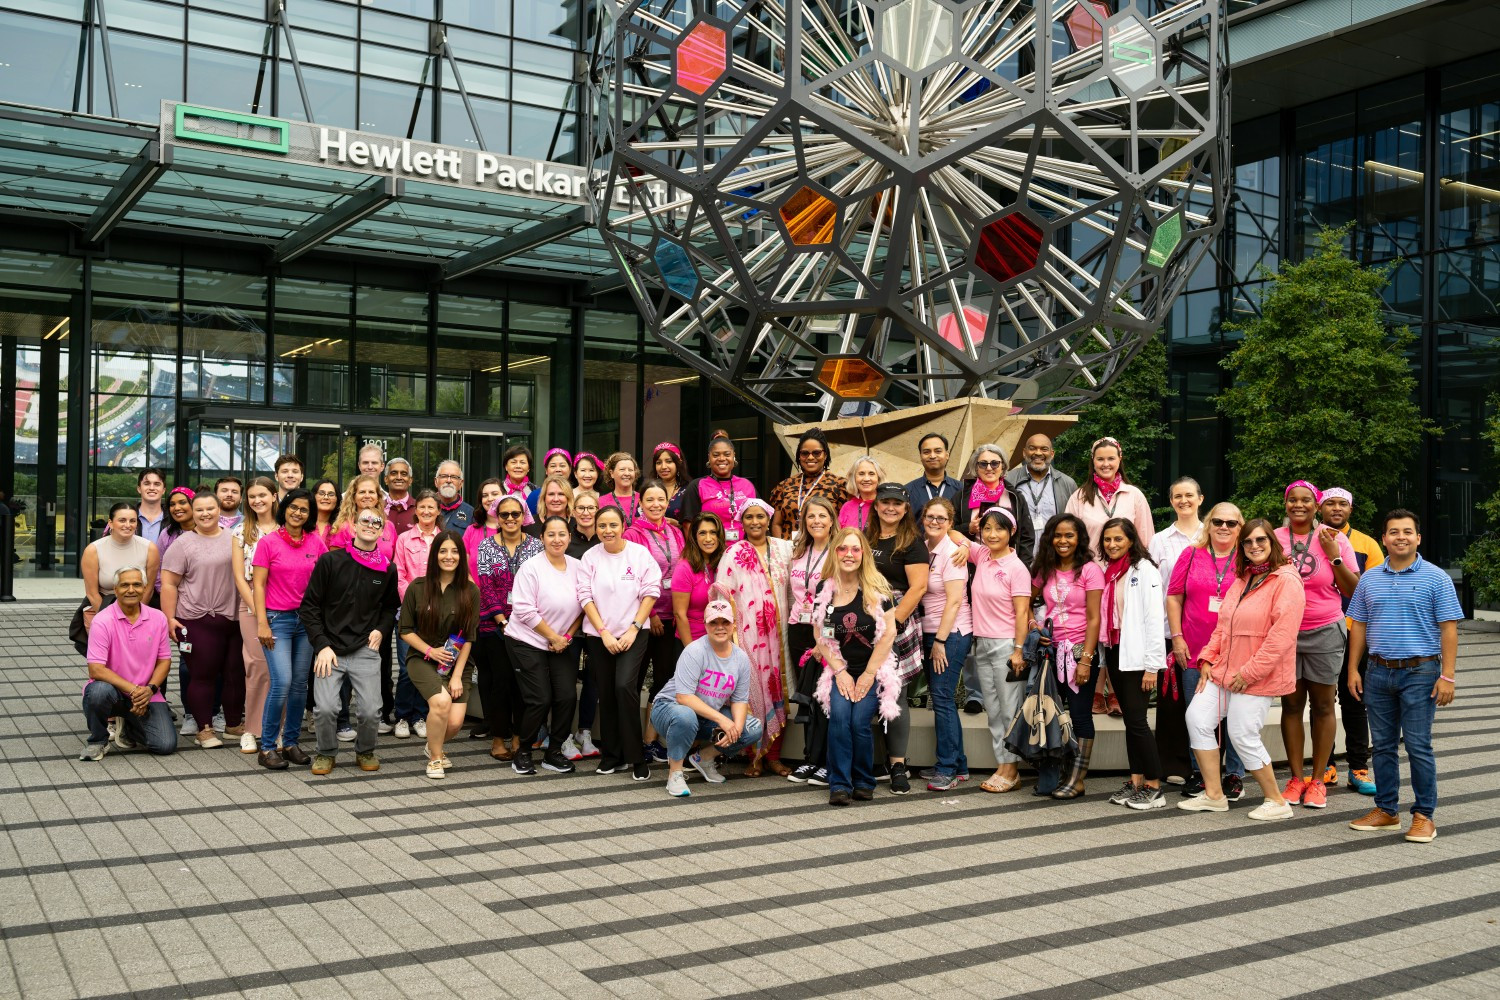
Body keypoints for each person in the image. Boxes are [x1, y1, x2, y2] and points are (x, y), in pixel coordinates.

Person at [1346, 510, 1463, 844]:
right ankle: (1386, 810)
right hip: (1377, 671)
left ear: (1418, 538)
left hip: (1421, 672)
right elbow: (1359, 626)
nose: (1401, 537)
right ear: (1384, 538)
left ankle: (1424, 815)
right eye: (1393, 532)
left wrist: (1448, 676)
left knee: (1417, 745)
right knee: (1381, 746)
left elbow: (1449, 629)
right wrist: (1354, 668)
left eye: (1407, 531)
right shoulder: (1369, 578)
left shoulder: (1436, 577)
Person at [1179, 519, 1304, 821]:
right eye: (1248, 542)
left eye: (1261, 540)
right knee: (1197, 718)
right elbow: (1224, 626)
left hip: (1256, 676)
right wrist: (1207, 658)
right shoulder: (1242, 578)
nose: (1254, 547)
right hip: (1224, 671)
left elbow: (1281, 637)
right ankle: (1214, 795)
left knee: (1242, 733)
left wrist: (1248, 673)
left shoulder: (1286, 580)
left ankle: (1276, 801)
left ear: (1273, 543)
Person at [1276, 480, 1359, 810]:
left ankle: (1319, 779)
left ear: (1316, 505)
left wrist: (1334, 557)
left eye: (1306, 500)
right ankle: (1296, 779)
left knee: (1324, 705)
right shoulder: (1275, 538)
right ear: (1286, 505)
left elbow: (1354, 589)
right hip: (1285, 633)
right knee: (1291, 706)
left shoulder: (1333, 537)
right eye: (1292, 500)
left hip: (1325, 629)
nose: (1299, 505)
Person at [300, 506, 399, 775]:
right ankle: (326, 752)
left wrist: (381, 629)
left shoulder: (387, 569)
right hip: (329, 649)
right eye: (364, 520)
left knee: (370, 711)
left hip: (365, 648)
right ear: (353, 526)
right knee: (326, 709)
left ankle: (365, 750)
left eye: (376, 522)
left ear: (382, 531)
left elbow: (391, 608)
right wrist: (320, 645)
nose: (370, 525)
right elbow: (309, 607)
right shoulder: (330, 562)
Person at [806, 527, 901, 806]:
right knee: (839, 718)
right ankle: (839, 784)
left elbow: (889, 633)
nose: (849, 554)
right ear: (835, 552)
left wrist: (869, 674)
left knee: (859, 721)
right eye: (843, 548)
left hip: (873, 669)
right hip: (840, 668)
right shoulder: (825, 589)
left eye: (855, 549)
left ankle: (862, 781)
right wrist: (840, 671)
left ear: (863, 554)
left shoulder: (879, 587)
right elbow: (819, 636)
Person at [1166, 502, 1248, 800]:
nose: (1224, 527)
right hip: (1193, 649)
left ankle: (1235, 774)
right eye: (1218, 522)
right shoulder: (1190, 554)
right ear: (1208, 524)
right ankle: (1201, 774)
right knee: (1199, 715)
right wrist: (1176, 637)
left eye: (1231, 523)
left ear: (1241, 527)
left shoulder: (1247, 558)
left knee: (1236, 717)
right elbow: (1174, 597)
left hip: (1238, 652)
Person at [577, 504, 662, 780]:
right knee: (607, 691)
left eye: (613, 525)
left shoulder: (639, 555)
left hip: (634, 633)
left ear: (623, 525)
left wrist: (633, 628)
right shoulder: (590, 557)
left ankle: (636, 757)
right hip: (599, 635)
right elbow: (585, 597)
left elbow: (651, 592)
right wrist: (603, 632)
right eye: (602, 526)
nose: (607, 530)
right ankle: (612, 756)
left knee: (625, 687)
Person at [651, 597, 765, 797]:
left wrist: (736, 727)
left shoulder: (740, 658)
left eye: (725, 622)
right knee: (685, 715)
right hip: (669, 709)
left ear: (733, 625)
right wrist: (723, 721)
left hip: (704, 715)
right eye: (713, 622)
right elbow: (684, 697)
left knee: (752, 728)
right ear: (705, 625)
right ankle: (675, 773)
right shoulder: (694, 651)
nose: (720, 627)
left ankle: (704, 758)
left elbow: (739, 699)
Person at [716, 498, 793, 776]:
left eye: (760, 516)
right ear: (741, 521)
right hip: (749, 639)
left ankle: (773, 756)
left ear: (769, 518)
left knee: (778, 693)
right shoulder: (734, 553)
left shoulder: (785, 549)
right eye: (749, 517)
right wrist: (731, 637)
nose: (755, 522)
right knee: (753, 693)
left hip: (781, 638)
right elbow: (722, 595)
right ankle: (753, 757)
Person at [162, 492, 244, 750]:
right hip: (196, 619)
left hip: (233, 617)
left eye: (210, 508)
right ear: (192, 512)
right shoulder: (183, 544)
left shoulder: (235, 538)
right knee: (202, 675)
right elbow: (168, 583)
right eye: (199, 510)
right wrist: (169, 618)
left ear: (220, 510)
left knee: (235, 674)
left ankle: (232, 724)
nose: (205, 514)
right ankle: (204, 728)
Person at [1095, 518, 1168, 811]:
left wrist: (1152, 666)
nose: (1112, 545)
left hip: (1138, 656)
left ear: (1131, 540)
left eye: (1118, 539)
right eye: (1107, 540)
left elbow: (1154, 619)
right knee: (1129, 720)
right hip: (1116, 651)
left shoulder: (1144, 569)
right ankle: (1135, 779)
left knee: (1137, 721)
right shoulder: (1110, 572)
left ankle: (1154, 785)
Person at [864, 483, 932, 793]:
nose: (890, 507)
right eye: (884, 502)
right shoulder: (865, 539)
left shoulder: (913, 543)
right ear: (875, 506)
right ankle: (868, 763)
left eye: (897, 503)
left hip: (897, 619)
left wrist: (897, 621)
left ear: (906, 508)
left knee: (896, 695)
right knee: (863, 690)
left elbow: (917, 587)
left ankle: (898, 765)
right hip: (863, 621)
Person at [251, 488, 326, 770]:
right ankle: (268, 746)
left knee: (299, 685)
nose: (298, 513)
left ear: (310, 514)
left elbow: (323, 584)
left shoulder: (316, 542)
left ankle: (291, 743)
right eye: (293, 507)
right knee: (281, 682)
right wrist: (261, 622)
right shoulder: (268, 543)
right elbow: (257, 584)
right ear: (284, 509)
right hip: (276, 620)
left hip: (306, 621)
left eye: (304, 509)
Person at [504, 516, 584, 777]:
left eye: (562, 534)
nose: (557, 539)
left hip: (561, 642)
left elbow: (584, 606)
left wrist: (566, 638)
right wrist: (554, 637)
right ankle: (523, 752)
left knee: (567, 696)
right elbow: (525, 611)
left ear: (569, 537)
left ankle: (554, 751)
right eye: (551, 534)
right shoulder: (531, 568)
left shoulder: (577, 567)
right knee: (540, 698)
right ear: (542, 538)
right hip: (526, 640)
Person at [1031, 513, 1103, 799]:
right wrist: (1034, 626)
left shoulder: (1089, 570)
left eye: (1069, 535)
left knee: (1081, 714)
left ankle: (1077, 778)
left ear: (1079, 539)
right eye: (1058, 535)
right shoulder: (1045, 569)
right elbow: (1027, 601)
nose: (1063, 541)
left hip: (1078, 650)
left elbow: (1095, 619)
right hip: (1050, 651)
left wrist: (1085, 659)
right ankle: (1060, 773)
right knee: (1054, 713)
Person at [399, 531, 481, 780]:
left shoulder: (470, 591)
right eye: (443, 551)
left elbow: (468, 637)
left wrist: (457, 676)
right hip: (423, 657)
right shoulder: (418, 587)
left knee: (455, 723)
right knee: (441, 703)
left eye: (454, 551)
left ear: (462, 556)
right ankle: (435, 758)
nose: (449, 556)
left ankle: (431, 745)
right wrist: (430, 651)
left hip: (457, 662)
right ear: (434, 555)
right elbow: (405, 631)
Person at [1319, 486, 1383, 796]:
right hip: (1319, 631)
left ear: (1350, 510)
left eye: (1342, 504)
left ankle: (1358, 767)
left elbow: (1377, 591)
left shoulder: (1367, 544)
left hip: (1355, 632)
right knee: (1320, 701)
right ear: (1320, 509)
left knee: (1355, 700)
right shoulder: (1311, 539)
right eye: (1329, 503)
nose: (1335, 508)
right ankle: (1326, 766)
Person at [965, 507, 1033, 794]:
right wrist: (970, 528)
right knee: (993, 710)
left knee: (1009, 710)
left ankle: (1011, 769)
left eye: (1000, 529)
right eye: (987, 528)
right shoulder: (982, 555)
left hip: (1006, 645)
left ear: (1012, 532)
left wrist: (1018, 651)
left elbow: (1022, 614)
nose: (992, 534)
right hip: (982, 643)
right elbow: (951, 535)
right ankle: (1003, 764)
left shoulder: (1016, 568)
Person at [328, 474, 400, 735]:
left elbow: (389, 562)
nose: (367, 496)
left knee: (378, 661)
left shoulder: (387, 526)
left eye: (372, 492)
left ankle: (376, 714)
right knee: (344, 663)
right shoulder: (342, 526)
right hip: (346, 606)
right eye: (362, 492)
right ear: (353, 496)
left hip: (377, 603)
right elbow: (336, 566)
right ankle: (342, 718)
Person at [78, 567, 175, 760]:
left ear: (145, 588)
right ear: (115, 589)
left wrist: (149, 689)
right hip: (113, 692)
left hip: (146, 693)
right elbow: (96, 669)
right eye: (125, 585)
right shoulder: (102, 621)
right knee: (97, 692)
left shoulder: (158, 618)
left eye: (137, 584)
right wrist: (134, 690)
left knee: (165, 745)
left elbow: (164, 660)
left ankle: (129, 727)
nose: (131, 590)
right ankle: (98, 740)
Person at [474, 495, 542, 761]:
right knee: (500, 684)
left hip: (529, 626)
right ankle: (498, 738)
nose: (510, 519)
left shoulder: (536, 546)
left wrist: (526, 620)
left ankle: (518, 736)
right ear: (497, 517)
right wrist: (502, 620)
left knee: (522, 685)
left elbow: (541, 585)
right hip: (495, 626)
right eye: (505, 515)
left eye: (515, 514)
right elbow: (486, 588)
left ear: (524, 516)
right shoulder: (486, 546)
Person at [623, 480, 686, 762]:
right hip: (645, 618)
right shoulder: (633, 534)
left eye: (661, 499)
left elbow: (683, 568)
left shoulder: (675, 531)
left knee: (663, 682)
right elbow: (632, 578)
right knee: (633, 682)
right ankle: (630, 741)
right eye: (650, 500)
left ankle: (651, 740)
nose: (656, 505)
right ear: (641, 503)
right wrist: (651, 614)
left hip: (674, 616)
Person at [1149, 476, 1205, 781]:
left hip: (1203, 632)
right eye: (1177, 496)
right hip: (1168, 631)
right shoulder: (1160, 540)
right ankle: (1173, 765)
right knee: (1171, 701)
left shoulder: (1210, 535)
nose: (1183, 501)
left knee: (1201, 700)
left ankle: (1202, 765)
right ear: (1171, 502)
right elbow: (1152, 585)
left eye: (1189, 495)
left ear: (1200, 498)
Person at [918, 497, 974, 792]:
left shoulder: (953, 553)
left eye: (941, 518)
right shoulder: (925, 548)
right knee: (942, 697)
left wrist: (939, 641)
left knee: (941, 697)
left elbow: (954, 601)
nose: (935, 522)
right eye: (931, 516)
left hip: (950, 633)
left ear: (951, 523)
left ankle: (947, 769)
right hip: (930, 631)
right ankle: (959, 764)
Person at [784, 497, 838, 785]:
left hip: (825, 632)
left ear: (831, 519)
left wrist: (824, 640)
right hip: (798, 627)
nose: (816, 521)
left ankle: (826, 761)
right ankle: (809, 759)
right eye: (810, 516)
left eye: (822, 515)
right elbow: (794, 593)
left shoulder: (839, 551)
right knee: (806, 696)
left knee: (824, 695)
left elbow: (840, 598)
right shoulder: (798, 551)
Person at [230, 477, 279, 755]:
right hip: (250, 606)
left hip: (283, 605)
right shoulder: (240, 532)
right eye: (251, 496)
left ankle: (278, 729)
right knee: (258, 668)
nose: (257, 500)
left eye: (262, 494)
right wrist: (260, 612)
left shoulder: (286, 529)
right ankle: (252, 729)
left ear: (274, 496)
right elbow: (239, 576)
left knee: (281, 672)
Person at [392, 490, 443, 740]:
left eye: (431, 508)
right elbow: (399, 573)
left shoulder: (443, 539)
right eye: (422, 507)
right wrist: (413, 601)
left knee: (428, 664)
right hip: (409, 611)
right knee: (405, 666)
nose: (426, 512)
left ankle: (421, 715)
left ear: (438, 511)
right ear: (416, 510)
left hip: (436, 613)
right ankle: (402, 715)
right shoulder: (403, 539)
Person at [1064, 436, 1154, 558]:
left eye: (1111, 458)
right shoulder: (1079, 497)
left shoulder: (1134, 495)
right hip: (1090, 571)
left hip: (1127, 572)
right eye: (1100, 459)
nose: (1106, 464)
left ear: (1119, 459)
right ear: (1093, 460)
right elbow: (1069, 537)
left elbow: (1146, 539)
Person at [81, 503, 159, 633]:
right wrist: (110, 619)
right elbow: (91, 592)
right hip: (102, 610)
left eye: (132, 521)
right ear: (111, 523)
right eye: (122, 520)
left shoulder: (150, 549)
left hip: (138, 613)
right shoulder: (93, 550)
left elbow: (149, 589)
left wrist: (136, 617)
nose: (128, 525)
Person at [1005, 433, 1078, 561]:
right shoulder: (1008, 480)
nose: (1038, 453)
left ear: (1052, 453)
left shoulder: (1067, 484)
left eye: (1044, 449)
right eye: (1032, 448)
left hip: (1055, 559)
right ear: (1024, 453)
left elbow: (1075, 524)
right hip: (1017, 558)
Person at [769, 427, 850, 541]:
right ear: (799, 456)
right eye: (805, 453)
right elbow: (776, 524)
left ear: (825, 455)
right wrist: (782, 550)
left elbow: (844, 525)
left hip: (824, 552)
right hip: (789, 552)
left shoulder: (840, 485)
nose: (810, 457)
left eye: (816, 453)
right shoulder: (784, 486)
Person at [679, 433, 758, 544]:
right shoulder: (697, 486)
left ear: (733, 456)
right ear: (709, 457)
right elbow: (688, 525)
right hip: (710, 553)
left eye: (727, 454)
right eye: (716, 455)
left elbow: (759, 518)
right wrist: (698, 556)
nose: (721, 459)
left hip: (744, 551)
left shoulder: (747, 485)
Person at [462, 479, 504, 584]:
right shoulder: (471, 530)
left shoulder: (514, 529)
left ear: (504, 496)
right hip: (476, 596)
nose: (490, 499)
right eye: (485, 495)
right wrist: (474, 590)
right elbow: (462, 567)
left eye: (494, 494)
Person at [906, 433, 963, 506]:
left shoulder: (962, 490)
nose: (932, 456)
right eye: (926, 452)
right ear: (920, 456)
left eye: (938, 451)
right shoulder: (908, 491)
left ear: (947, 455)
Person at [838, 455, 883, 530]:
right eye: (861, 474)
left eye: (871, 474)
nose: (866, 479)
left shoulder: (885, 505)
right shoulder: (847, 507)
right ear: (854, 478)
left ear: (878, 478)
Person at [600, 451, 642, 527]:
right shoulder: (601, 502)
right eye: (622, 469)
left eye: (630, 470)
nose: (627, 473)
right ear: (611, 473)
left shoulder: (644, 499)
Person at [651, 442, 689, 521]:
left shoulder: (689, 490)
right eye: (658, 462)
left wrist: (678, 525)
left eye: (669, 461)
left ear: (678, 463)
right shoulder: (649, 489)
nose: (663, 467)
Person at [434, 460, 473, 532]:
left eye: (454, 477)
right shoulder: (424, 509)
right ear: (436, 482)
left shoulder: (471, 514)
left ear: (460, 483)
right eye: (444, 476)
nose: (448, 480)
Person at [383, 457, 416, 538]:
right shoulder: (377, 508)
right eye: (393, 473)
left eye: (404, 474)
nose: (399, 477)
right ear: (386, 479)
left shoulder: (419, 508)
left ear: (410, 480)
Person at [132, 468, 167, 545]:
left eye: (157, 484)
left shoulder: (172, 519)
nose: (152, 488)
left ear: (163, 490)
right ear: (139, 489)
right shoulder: (126, 515)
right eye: (147, 484)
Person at [500, 444, 535, 519]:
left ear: (528, 468)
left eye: (522, 462)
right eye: (513, 462)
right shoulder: (498, 489)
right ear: (506, 466)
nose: (518, 466)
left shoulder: (535, 491)